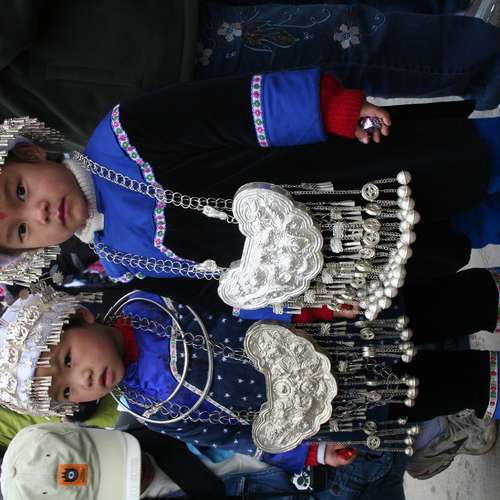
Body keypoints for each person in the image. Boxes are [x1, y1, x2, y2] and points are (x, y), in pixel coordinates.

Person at [0, 67, 496, 319]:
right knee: (464, 230)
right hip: (351, 253)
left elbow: (231, 109)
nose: (38, 212)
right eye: (22, 230)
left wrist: (330, 109)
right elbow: (217, 293)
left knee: (469, 161)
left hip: (355, 171)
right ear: (31, 251)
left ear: (31, 153)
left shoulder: (121, 136)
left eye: (19, 191)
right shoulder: (119, 263)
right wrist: (311, 303)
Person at [0, 269, 498, 474]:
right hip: (329, 406)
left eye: (68, 360)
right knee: (436, 390)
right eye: (67, 391)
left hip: (327, 329)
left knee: (430, 312)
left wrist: (309, 304)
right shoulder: (149, 410)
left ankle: (488, 298)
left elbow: (233, 288)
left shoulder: (148, 299)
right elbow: (237, 435)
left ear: (79, 317)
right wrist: (309, 451)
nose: (83, 380)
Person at [2, 1, 499, 150]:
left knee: (344, 28)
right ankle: (486, 63)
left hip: (139, 35)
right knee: (346, 40)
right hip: (153, 56)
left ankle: (466, 37)